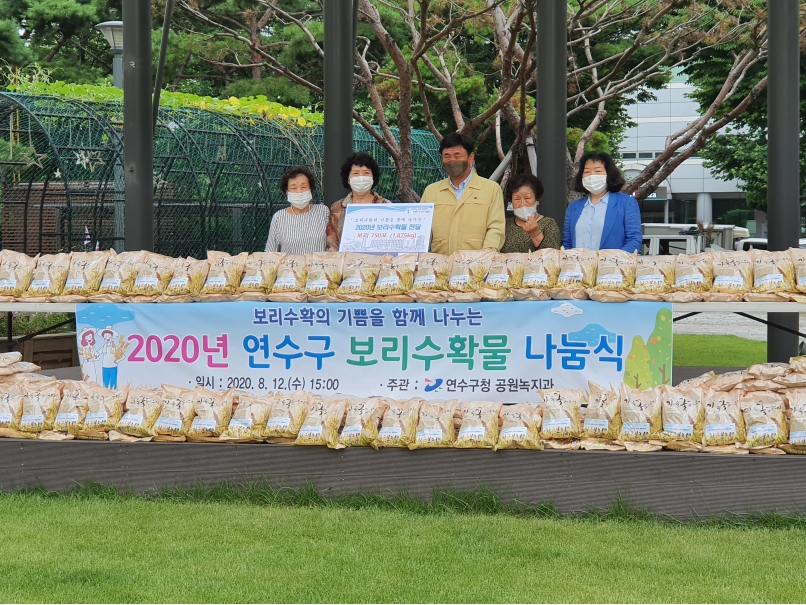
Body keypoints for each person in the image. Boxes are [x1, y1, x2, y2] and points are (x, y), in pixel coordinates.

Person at [421, 132, 505, 255]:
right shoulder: (431, 191)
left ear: (470, 157)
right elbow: (423, 229)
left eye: (457, 155)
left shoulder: (491, 189)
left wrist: (486, 255)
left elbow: (496, 227)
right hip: (440, 264)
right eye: (447, 156)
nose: (452, 160)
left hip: (476, 265)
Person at [562, 151, 642, 253]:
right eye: (586, 172)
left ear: (609, 174)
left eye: (598, 171)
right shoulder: (574, 207)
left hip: (612, 266)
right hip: (578, 267)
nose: (591, 176)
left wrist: (613, 261)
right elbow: (567, 242)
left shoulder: (626, 203)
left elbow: (634, 240)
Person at [326, 152, 390, 251]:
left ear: (373, 178)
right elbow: (332, 243)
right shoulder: (337, 207)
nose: (361, 177)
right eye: (355, 173)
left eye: (366, 173)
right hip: (346, 264)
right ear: (348, 179)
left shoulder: (386, 206)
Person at [265, 166, 329, 254]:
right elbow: (270, 252)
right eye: (294, 188)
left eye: (303, 187)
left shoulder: (323, 211)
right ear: (287, 192)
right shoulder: (279, 217)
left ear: (310, 189)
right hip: (290, 267)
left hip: (319, 266)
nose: (299, 191)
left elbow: (333, 244)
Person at [500, 174, 561, 253]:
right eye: (517, 199)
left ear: (537, 200)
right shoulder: (505, 225)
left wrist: (535, 233)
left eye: (527, 198)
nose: (522, 204)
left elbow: (551, 256)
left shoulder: (548, 224)